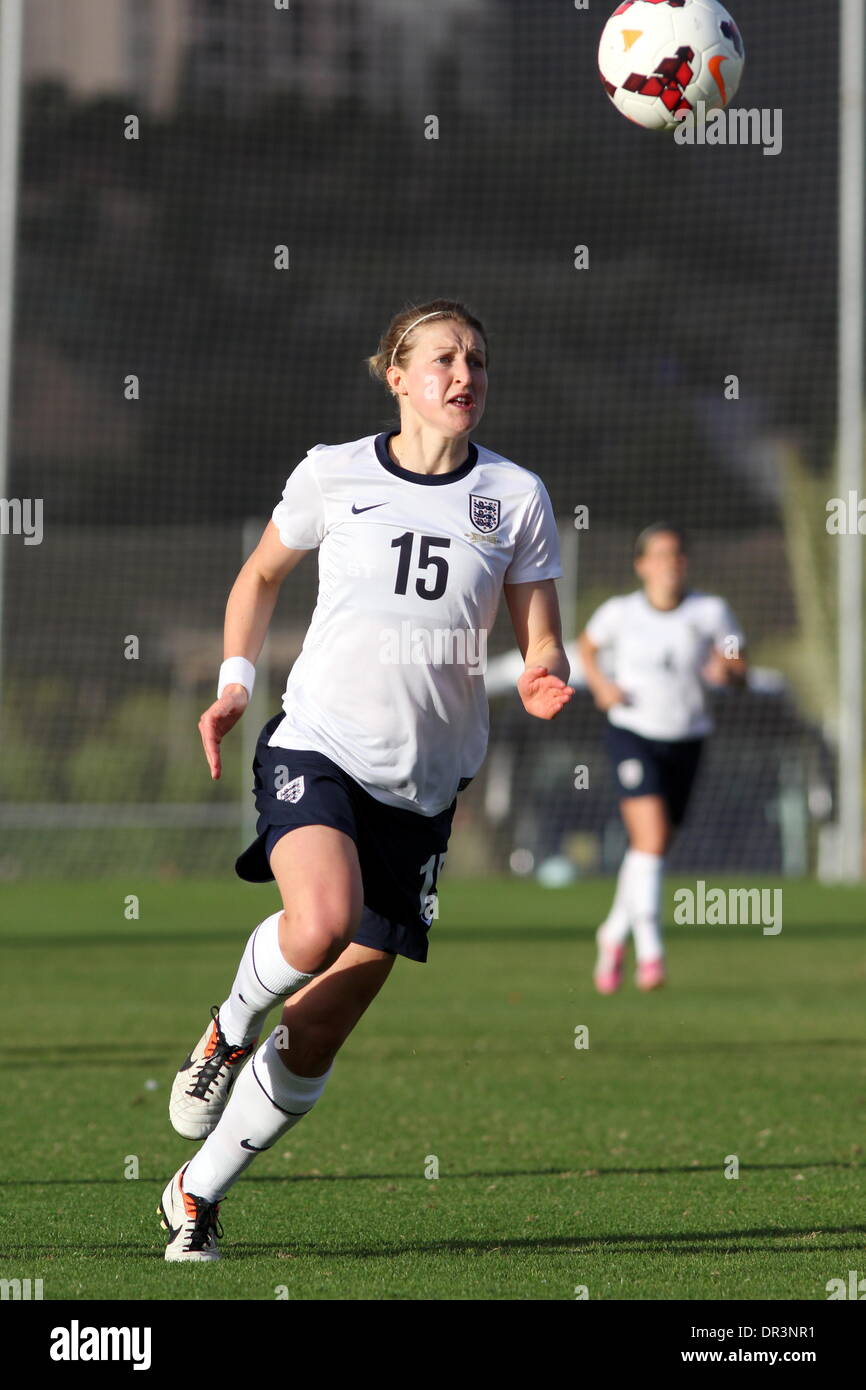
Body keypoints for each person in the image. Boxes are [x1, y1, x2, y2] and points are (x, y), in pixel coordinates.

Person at [158, 299, 573, 1259]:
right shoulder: (333, 473)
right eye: (441, 358)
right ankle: (224, 1030)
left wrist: (548, 671)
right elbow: (260, 577)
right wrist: (232, 685)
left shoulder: (515, 496)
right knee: (318, 920)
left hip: (423, 795)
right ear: (396, 374)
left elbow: (540, 629)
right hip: (318, 746)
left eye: (476, 359)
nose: (463, 374)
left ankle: (193, 1196)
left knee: (322, 1030)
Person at [578, 524, 746, 995]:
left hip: (687, 738)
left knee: (651, 847)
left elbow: (738, 663)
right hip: (632, 732)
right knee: (649, 836)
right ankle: (650, 951)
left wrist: (728, 670)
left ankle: (612, 933)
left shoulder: (711, 612)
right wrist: (602, 684)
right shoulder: (620, 613)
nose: (670, 563)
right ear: (642, 565)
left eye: (677, 554)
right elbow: (587, 647)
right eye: (660, 555)